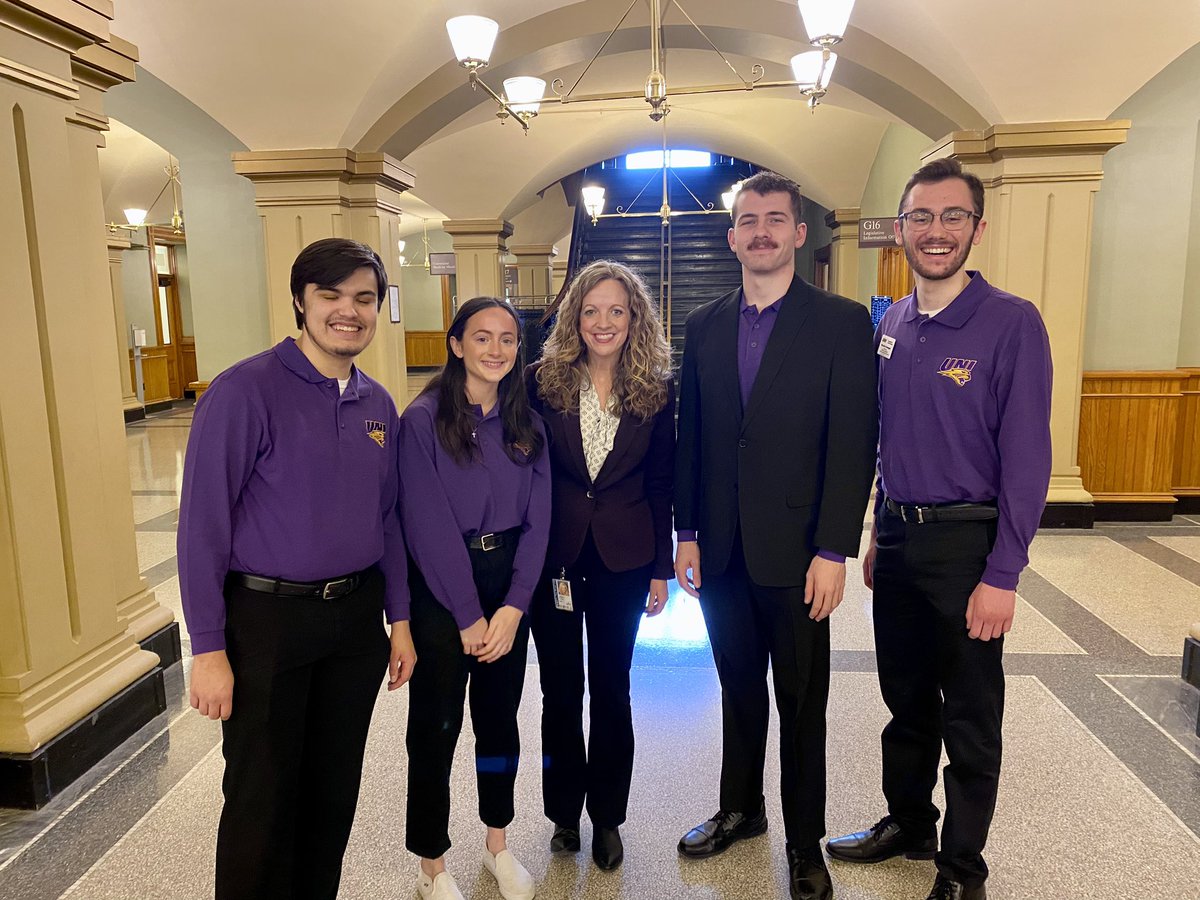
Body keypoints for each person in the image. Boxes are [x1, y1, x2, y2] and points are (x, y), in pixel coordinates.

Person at [825, 158, 1052, 900]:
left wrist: (1003, 573)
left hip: (967, 545)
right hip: (896, 538)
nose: (936, 231)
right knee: (906, 699)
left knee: (971, 714)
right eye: (921, 217)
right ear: (900, 229)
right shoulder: (891, 321)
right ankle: (910, 823)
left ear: (977, 228)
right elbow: (890, 434)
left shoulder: (1011, 323)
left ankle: (962, 869)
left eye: (953, 216)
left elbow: (1026, 459)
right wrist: (875, 527)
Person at [178, 237, 416, 900]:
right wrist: (208, 649)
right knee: (262, 794)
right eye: (332, 296)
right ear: (300, 303)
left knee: (332, 789)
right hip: (266, 621)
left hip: (353, 624)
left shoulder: (377, 404)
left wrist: (398, 620)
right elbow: (202, 528)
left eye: (364, 298)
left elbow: (389, 519)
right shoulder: (243, 391)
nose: (350, 311)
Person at [674, 171, 879, 900]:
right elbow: (691, 435)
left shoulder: (842, 321)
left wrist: (833, 549)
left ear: (799, 233)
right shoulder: (703, 324)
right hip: (722, 550)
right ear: (732, 237)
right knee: (737, 689)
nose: (761, 231)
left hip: (798, 555)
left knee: (801, 702)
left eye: (775, 219)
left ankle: (803, 842)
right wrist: (687, 531)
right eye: (748, 220)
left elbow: (853, 443)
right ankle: (742, 809)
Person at [526, 260, 676, 871]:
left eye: (616, 310)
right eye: (591, 311)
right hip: (554, 560)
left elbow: (662, 482)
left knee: (612, 691)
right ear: (574, 318)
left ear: (634, 316)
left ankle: (608, 816)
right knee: (560, 691)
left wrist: (661, 568)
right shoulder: (544, 381)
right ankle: (564, 812)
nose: (603, 322)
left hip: (625, 557)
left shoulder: (658, 388)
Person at [398, 296, 550, 900]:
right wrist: (467, 614)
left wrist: (513, 607)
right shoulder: (422, 420)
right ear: (456, 345)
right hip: (442, 589)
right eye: (481, 338)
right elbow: (427, 524)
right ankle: (432, 863)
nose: (495, 350)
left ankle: (497, 844)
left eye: (508, 339)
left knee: (498, 721)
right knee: (435, 728)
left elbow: (539, 521)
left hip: (508, 580)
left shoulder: (526, 424)